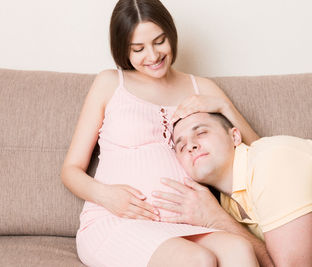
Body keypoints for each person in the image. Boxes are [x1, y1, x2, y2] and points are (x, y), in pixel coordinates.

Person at [61, 0, 265, 266]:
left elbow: (262, 155)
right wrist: (106, 196)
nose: (153, 55)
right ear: (123, 49)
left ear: (171, 35)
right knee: (197, 260)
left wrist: (224, 106)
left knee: (240, 250)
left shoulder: (201, 87)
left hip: (186, 225)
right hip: (117, 220)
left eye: (159, 41)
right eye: (138, 48)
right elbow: (70, 170)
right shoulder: (110, 83)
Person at [153, 112, 312, 267]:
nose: (191, 146)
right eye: (180, 145)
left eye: (201, 132)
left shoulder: (270, 160)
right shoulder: (227, 204)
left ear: (235, 136)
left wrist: (216, 220)